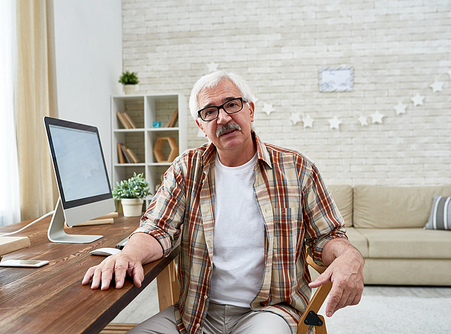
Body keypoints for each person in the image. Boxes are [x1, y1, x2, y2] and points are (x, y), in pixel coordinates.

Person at [82, 71, 364, 334]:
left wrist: (349, 255)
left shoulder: (297, 168)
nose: (223, 118)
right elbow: (158, 229)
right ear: (201, 126)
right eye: (209, 112)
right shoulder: (186, 169)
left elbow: (326, 237)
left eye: (231, 104)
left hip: (271, 311)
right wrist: (128, 255)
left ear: (250, 110)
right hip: (195, 313)